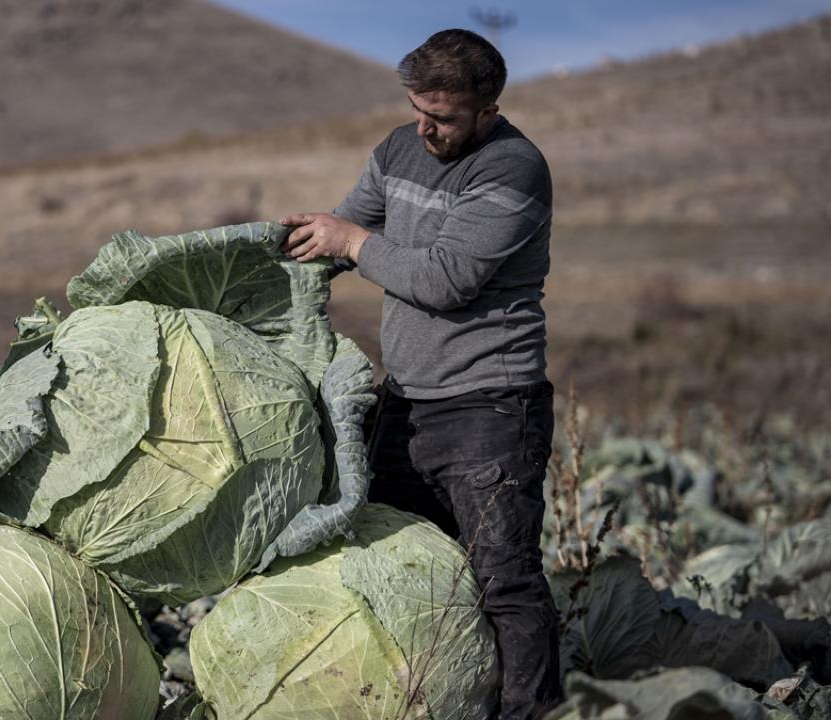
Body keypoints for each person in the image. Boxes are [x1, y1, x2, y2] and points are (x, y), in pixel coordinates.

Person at [279, 28, 561, 719]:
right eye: (417, 110)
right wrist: (266, 258)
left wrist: (354, 242)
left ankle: (532, 711)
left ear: (488, 111)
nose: (425, 129)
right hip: (406, 405)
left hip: (491, 407)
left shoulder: (514, 167)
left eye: (444, 118)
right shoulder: (399, 149)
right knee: (391, 566)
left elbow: (444, 279)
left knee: (504, 581)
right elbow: (342, 233)